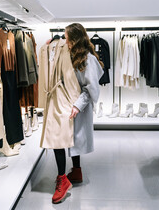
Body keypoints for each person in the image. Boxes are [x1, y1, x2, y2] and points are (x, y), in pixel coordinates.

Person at [51, 23, 104, 204]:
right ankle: (76, 171)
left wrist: (77, 105)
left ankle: (62, 180)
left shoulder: (88, 59)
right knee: (68, 138)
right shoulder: (71, 55)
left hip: (76, 106)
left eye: (66, 38)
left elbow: (91, 88)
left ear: (73, 39)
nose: (64, 41)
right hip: (67, 103)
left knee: (60, 138)